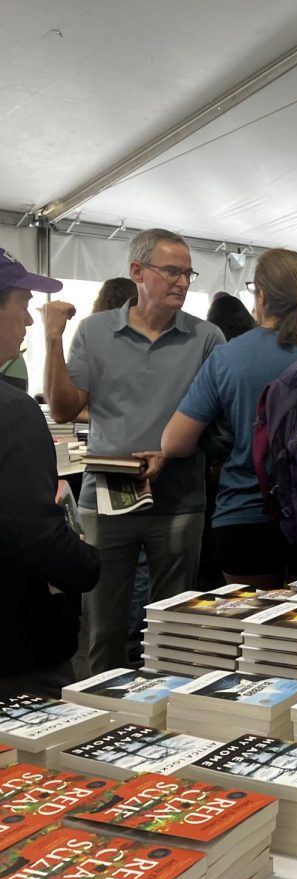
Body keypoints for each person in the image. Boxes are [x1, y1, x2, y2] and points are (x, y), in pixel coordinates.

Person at [41, 228, 225, 674]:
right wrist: (51, 339)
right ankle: (101, 719)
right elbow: (65, 409)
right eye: (171, 272)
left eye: (187, 273)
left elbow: (221, 423)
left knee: (172, 629)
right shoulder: (95, 331)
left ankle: (163, 716)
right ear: (137, 272)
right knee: (103, 627)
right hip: (106, 500)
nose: (181, 282)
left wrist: (172, 452)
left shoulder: (206, 338)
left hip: (179, 501)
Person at [160, 248, 297, 587]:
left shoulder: (227, 357)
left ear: (262, 294)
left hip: (246, 514)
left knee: (253, 631)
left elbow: (174, 442)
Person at [0, 249, 101, 696]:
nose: (26, 321)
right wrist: (86, 564)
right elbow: (32, 532)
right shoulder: (11, 411)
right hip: (15, 650)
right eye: (22, 305)